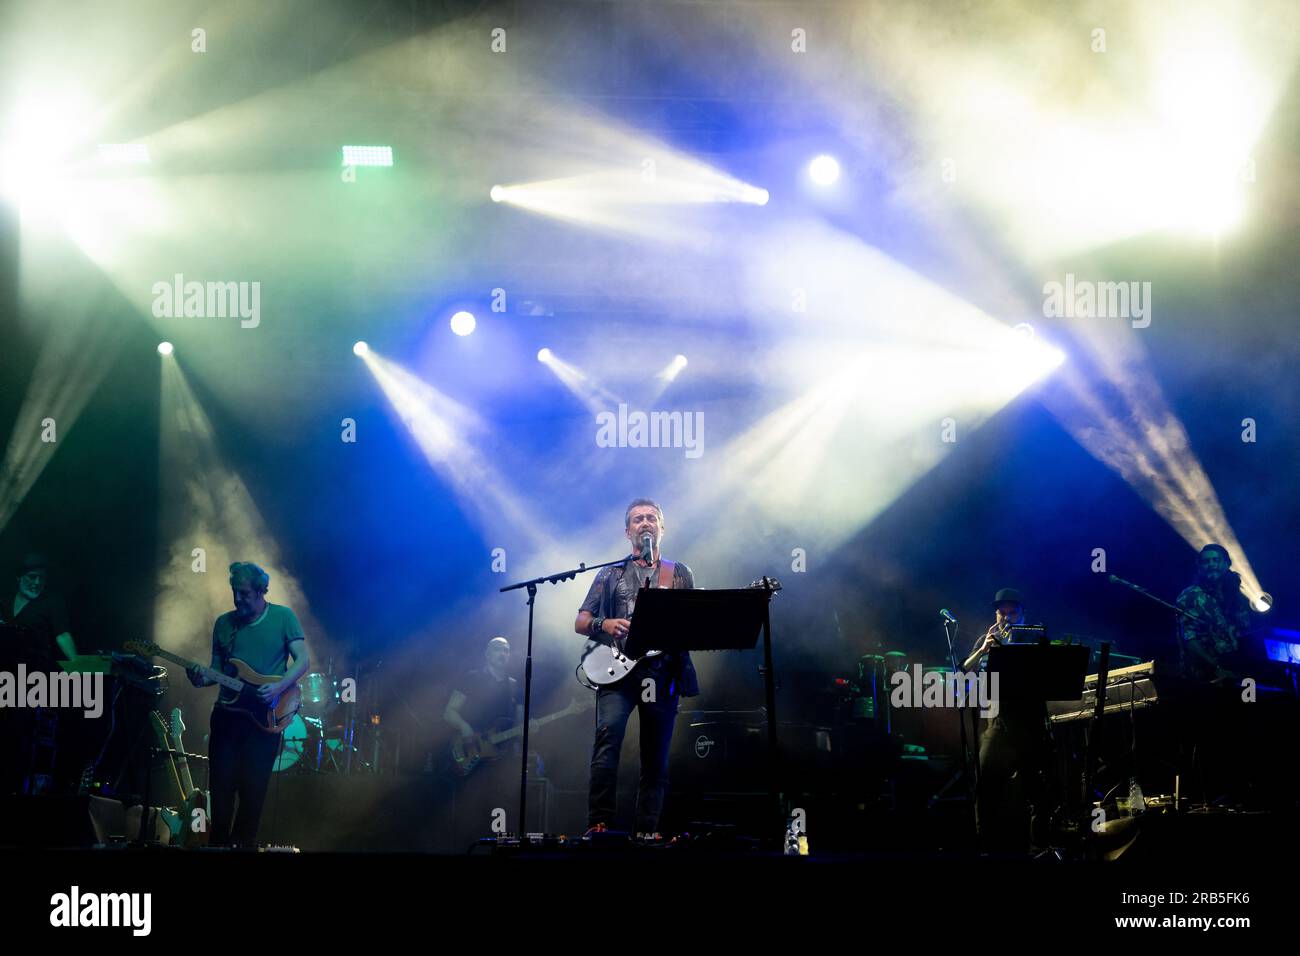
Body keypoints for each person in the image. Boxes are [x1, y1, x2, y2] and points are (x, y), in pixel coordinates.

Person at [574, 498, 698, 841]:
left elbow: (690, 622)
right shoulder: (609, 574)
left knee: (655, 755)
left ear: (661, 527)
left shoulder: (680, 573)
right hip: (618, 673)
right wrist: (606, 622)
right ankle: (599, 824)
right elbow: (581, 621)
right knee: (607, 740)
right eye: (638, 519)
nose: (645, 523)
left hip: (662, 672)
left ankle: (646, 831)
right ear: (628, 530)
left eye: (651, 518)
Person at [187, 562, 309, 846]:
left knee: (252, 798)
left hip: (263, 722)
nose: (238, 599)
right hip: (227, 718)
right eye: (235, 592)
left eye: (244, 593)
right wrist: (198, 678)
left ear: (261, 590)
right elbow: (215, 671)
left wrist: (278, 686)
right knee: (220, 798)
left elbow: (303, 660)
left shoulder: (283, 617)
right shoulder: (224, 624)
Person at [963, 587, 1047, 854]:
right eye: (1002, 612)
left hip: (1029, 722)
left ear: (1023, 614)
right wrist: (984, 649)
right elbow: (966, 668)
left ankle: (1038, 848)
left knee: (1038, 790)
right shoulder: (987, 638)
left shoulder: (1037, 637)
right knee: (986, 786)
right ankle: (986, 847)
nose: (1007, 617)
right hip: (996, 722)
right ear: (995, 614)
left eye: (1013, 612)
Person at [442, 637, 524, 844]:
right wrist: (466, 727)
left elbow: (520, 723)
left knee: (503, 803)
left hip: (503, 755)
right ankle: (467, 845)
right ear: (487, 654)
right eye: (498, 649)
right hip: (474, 750)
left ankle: (501, 846)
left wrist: (529, 727)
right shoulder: (472, 678)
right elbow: (449, 712)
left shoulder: (514, 686)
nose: (503, 653)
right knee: (471, 802)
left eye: (506, 650)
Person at [1176, 543, 1252, 682]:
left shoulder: (1236, 595)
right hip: (1206, 677)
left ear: (1227, 564)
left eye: (1216, 560)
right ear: (1200, 567)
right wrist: (1216, 667)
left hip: (1239, 672)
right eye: (1206, 561)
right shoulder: (1191, 596)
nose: (1211, 564)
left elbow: (1245, 632)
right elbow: (1189, 640)